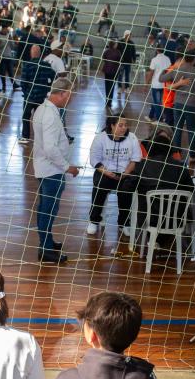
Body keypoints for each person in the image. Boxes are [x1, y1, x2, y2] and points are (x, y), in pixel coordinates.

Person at [32, 78, 77, 263]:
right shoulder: (49, 114)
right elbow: (50, 148)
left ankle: (47, 241)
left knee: (46, 208)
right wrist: (68, 167)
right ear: (63, 93)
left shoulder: (44, 109)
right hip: (52, 170)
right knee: (48, 210)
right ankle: (45, 250)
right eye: (70, 95)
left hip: (47, 168)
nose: (70, 98)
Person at [86, 115, 141, 237]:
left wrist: (125, 174)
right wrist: (106, 172)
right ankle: (94, 220)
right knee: (99, 186)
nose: (124, 128)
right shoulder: (100, 138)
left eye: (125, 125)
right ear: (112, 126)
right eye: (120, 125)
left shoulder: (132, 138)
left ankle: (124, 223)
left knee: (127, 190)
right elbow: (94, 159)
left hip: (125, 173)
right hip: (105, 172)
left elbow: (135, 160)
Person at [159, 50, 195, 162]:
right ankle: (192, 156)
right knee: (191, 130)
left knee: (178, 129)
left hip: (178, 104)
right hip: (192, 105)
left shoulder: (177, 70)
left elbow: (161, 79)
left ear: (185, 58)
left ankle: (177, 154)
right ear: (194, 60)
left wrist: (166, 68)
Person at [20, 44, 55, 143]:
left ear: (31, 53)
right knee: (39, 118)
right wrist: (47, 88)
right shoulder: (46, 65)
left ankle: (25, 137)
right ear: (40, 54)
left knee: (26, 117)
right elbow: (53, 77)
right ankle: (40, 137)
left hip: (29, 97)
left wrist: (26, 92)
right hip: (41, 97)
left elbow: (23, 82)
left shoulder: (27, 65)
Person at [146, 46, 171, 122]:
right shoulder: (167, 59)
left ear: (157, 50)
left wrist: (147, 83)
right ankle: (150, 116)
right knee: (156, 101)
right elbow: (169, 71)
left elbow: (151, 72)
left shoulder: (154, 60)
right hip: (165, 84)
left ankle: (159, 119)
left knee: (157, 102)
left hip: (156, 84)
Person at [101, 38, 122, 108]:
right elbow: (119, 61)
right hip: (114, 71)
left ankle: (107, 101)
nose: (117, 44)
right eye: (116, 43)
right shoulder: (118, 52)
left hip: (107, 71)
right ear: (114, 44)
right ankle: (109, 102)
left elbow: (103, 59)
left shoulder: (106, 51)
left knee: (107, 86)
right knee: (112, 86)